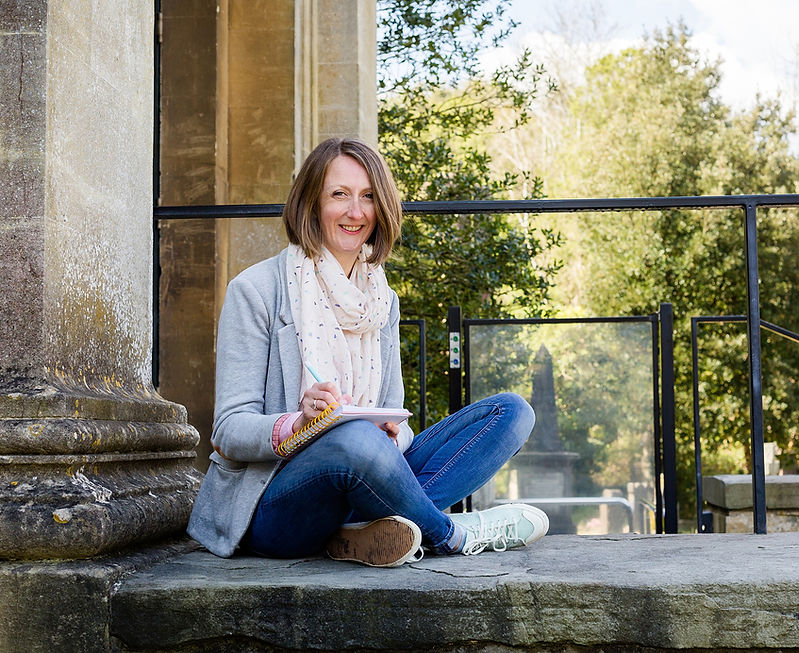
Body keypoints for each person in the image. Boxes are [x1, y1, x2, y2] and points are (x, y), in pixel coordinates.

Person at [187, 137, 548, 566]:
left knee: (510, 413)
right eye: (339, 194)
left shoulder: (382, 300)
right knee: (353, 438)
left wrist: (395, 436)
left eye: (368, 197)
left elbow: (394, 413)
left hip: (364, 475)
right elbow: (228, 429)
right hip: (275, 504)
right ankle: (453, 534)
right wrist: (299, 423)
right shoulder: (257, 291)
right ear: (310, 204)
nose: (355, 212)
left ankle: (363, 532)